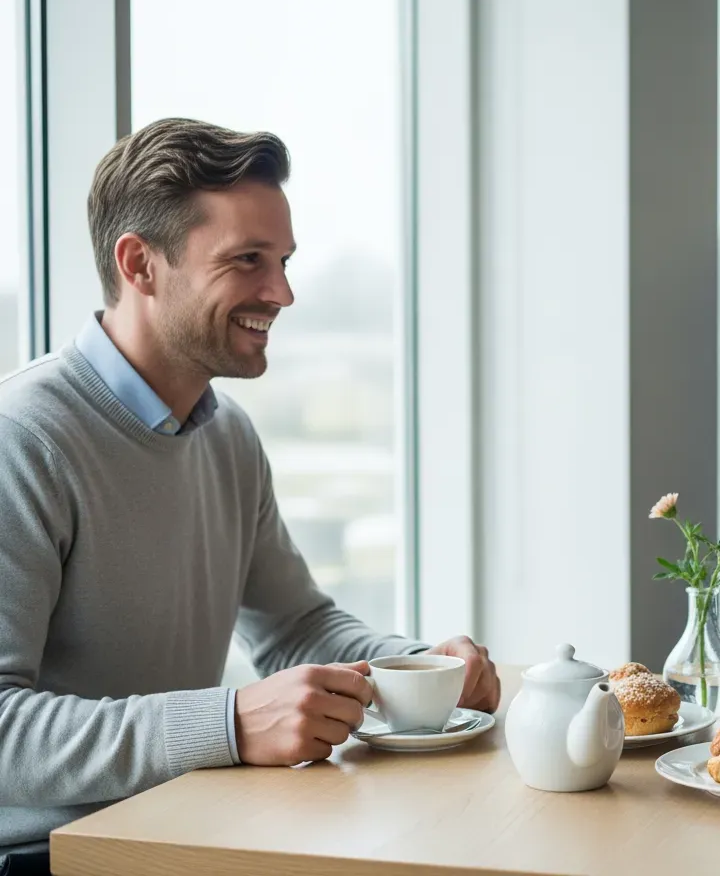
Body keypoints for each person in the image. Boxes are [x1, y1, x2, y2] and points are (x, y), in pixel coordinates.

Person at [0, 118, 500, 870]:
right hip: (52, 858)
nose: (283, 292)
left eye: (284, 260)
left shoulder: (224, 432)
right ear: (139, 264)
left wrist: (420, 667)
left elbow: (295, 627)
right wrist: (230, 723)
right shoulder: (23, 440)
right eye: (247, 261)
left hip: (185, 828)